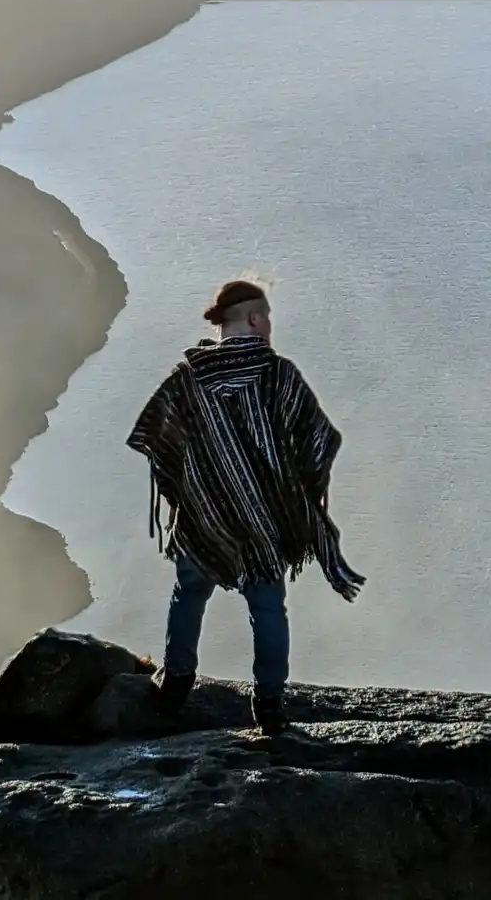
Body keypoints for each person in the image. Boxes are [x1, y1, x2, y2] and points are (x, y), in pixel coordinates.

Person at [125, 279, 365, 735]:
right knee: (269, 608)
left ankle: (175, 683)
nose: (269, 325)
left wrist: (192, 491)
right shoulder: (279, 375)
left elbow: (157, 441)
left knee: (188, 595)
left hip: (202, 518)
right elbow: (319, 440)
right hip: (266, 522)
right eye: (267, 317)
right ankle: (269, 706)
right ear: (254, 319)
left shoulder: (186, 380)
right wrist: (296, 498)